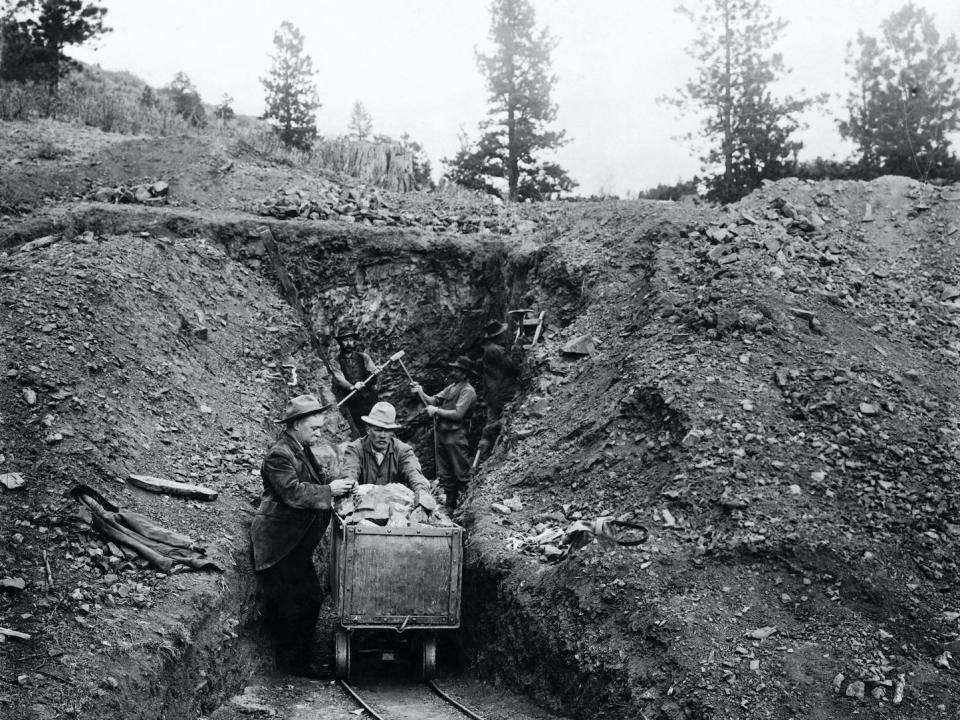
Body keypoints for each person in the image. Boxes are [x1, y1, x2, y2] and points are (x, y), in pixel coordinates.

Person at [250, 394, 355, 678]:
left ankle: (300, 659)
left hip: (294, 542)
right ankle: (292, 664)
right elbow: (292, 492)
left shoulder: (300, 448)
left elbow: (313, 482)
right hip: (279, 543)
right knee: (294, 601)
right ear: (295, 424)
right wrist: (329, 491)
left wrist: (336, 487)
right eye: (314, 429)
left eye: (321, 428)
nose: (319, 434)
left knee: (308, 597)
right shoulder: (279, 454)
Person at [411, 356, 478, 511]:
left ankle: (466, 507)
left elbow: (458, 414)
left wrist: (436, 411)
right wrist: (420, 391)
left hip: (456, 436)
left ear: (465, 374)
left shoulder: (468, 391)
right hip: (442, 434)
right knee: (445, 473)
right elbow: (432, 401)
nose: (453, 371)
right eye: (454, 368)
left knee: (460, 472)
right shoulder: (451, 387)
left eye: (457, 370)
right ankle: (449, 506)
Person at [339, 401, 431, 500]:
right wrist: (351, 483)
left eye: (387, 430)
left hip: (395, 506)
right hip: (362, 505)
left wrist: (421, 491)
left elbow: (415, 475)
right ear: (368, 429)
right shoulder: (355, 449)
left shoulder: (403, 450)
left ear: (392, 432)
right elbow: (349, 472)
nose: (383, 435)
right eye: (378, 430)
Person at [477, 320, 521, 460]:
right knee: (502, 422)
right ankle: (494, 455)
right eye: (502, 334)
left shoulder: (489, 348)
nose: (505, 335)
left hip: (492, 393)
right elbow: (512, 367)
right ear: (498, 335)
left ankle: (483, 457)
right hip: (502, 392)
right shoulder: (495, 349)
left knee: (491, 424)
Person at [329, 326, 379, 433]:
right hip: (353, 402)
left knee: (377, 425)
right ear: (340, 343)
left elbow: (373, 376)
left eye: (351, 340)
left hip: (370, 398)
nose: (348, 343)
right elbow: (339, 379)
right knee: (362, 429)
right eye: (345, 340)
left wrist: (375, 373)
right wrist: (352, 386)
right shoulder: (335, 362)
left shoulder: (364, 357)